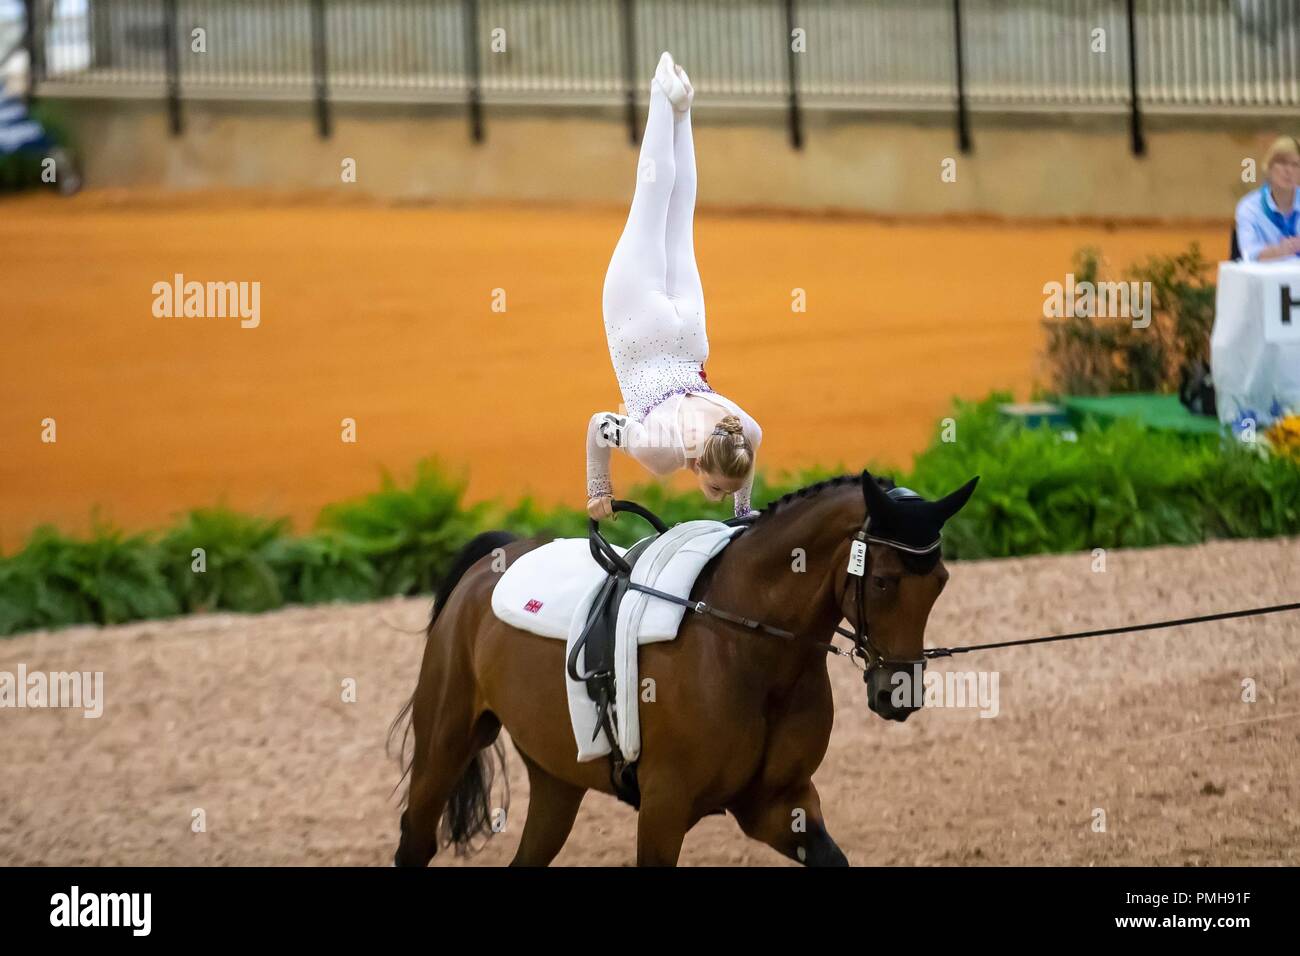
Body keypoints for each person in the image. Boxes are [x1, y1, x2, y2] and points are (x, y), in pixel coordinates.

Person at [585, 52, 762, 521]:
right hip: (639, 330)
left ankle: (681, 108)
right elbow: (600, 426)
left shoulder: (740, 428)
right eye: (720, 488)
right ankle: (660, 94)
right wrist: (597, 489)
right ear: (700, 461)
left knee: (679, 213)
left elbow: (753, 442)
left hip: (688, 335)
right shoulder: (664, 454)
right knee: (651, 203)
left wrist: (744, 510)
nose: (718, 495)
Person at [1235, 135, 1300, 262]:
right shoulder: (1250, 207)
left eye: (1295, 164)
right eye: (1282, 163)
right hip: (1266, 280)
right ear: (1269, 167)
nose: (1288, 170)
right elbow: (1249, 254)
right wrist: (1280, 251)